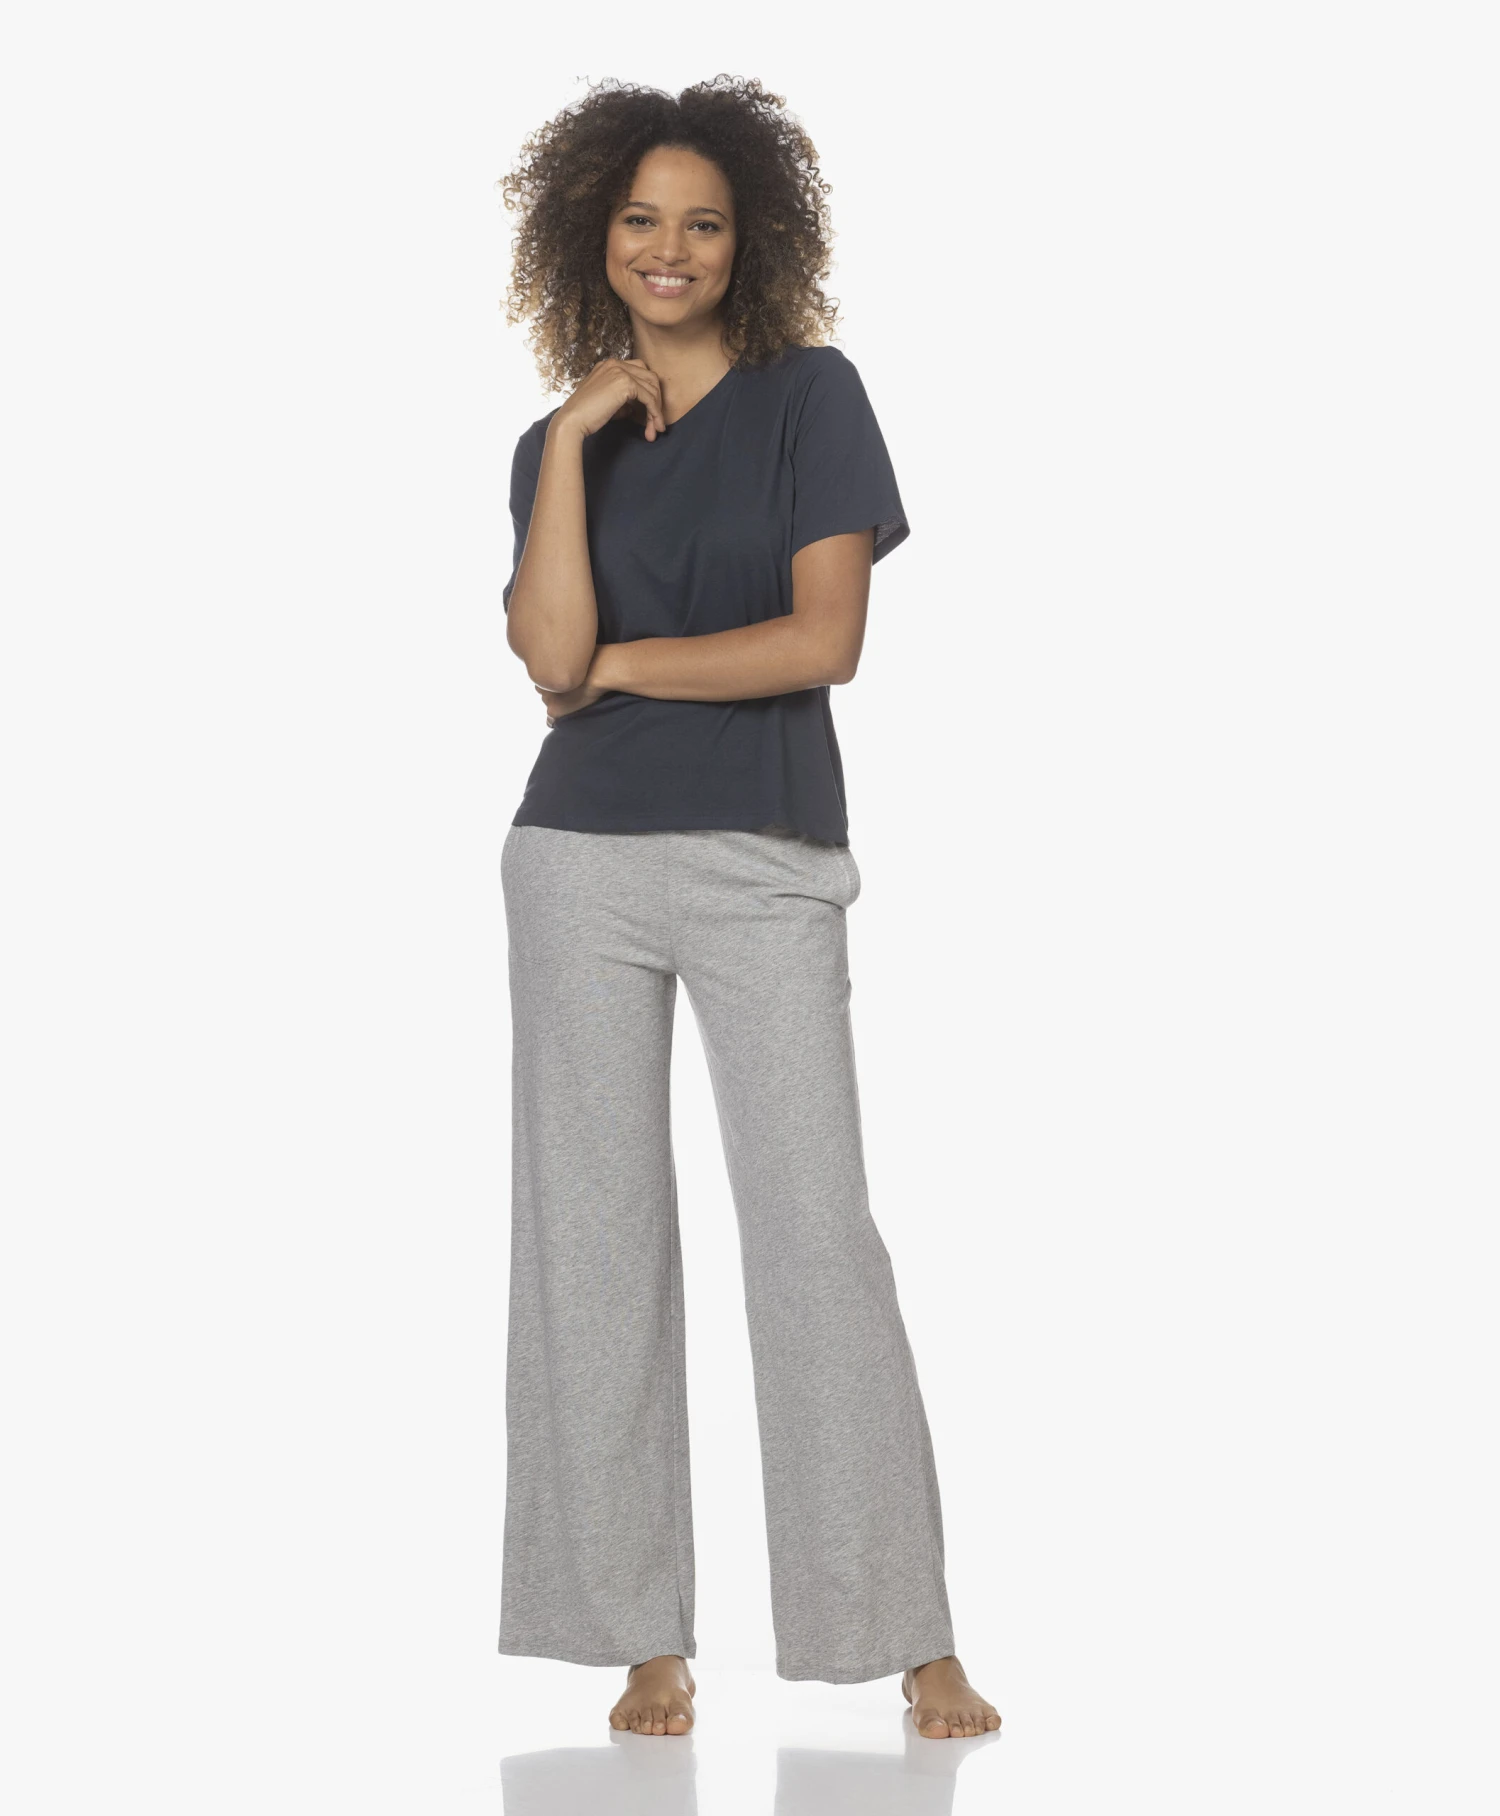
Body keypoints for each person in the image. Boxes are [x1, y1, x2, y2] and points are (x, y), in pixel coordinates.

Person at [494, 76, 1001, 1743]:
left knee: (813, 1236)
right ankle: (639, 1640)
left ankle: (906, 1631)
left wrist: (626, 665)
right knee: (592, 1245)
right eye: (641, 220)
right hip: (575, 857)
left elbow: (820, 640)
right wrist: (576, 435)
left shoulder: (810, 399)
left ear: (748, 239)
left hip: (764, 859)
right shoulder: (552, 448)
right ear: (592, 238)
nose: (672, 249)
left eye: (703, 222)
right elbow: (545, 656)